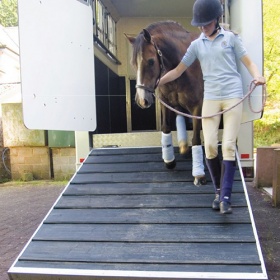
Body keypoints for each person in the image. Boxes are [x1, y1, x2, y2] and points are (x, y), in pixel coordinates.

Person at [158, 0, 266, 214]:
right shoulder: (197, 45)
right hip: (211, 98)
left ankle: (225, 198)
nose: (202, 28)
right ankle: (218, 191)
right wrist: (158, 82)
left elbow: (249, 63)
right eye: (199, 24)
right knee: (209, 146)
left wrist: (257, 76)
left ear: (216, 19)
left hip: (232, 96)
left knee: (227, 146)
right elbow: (179, 70)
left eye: (205, 23)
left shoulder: (231, 39)